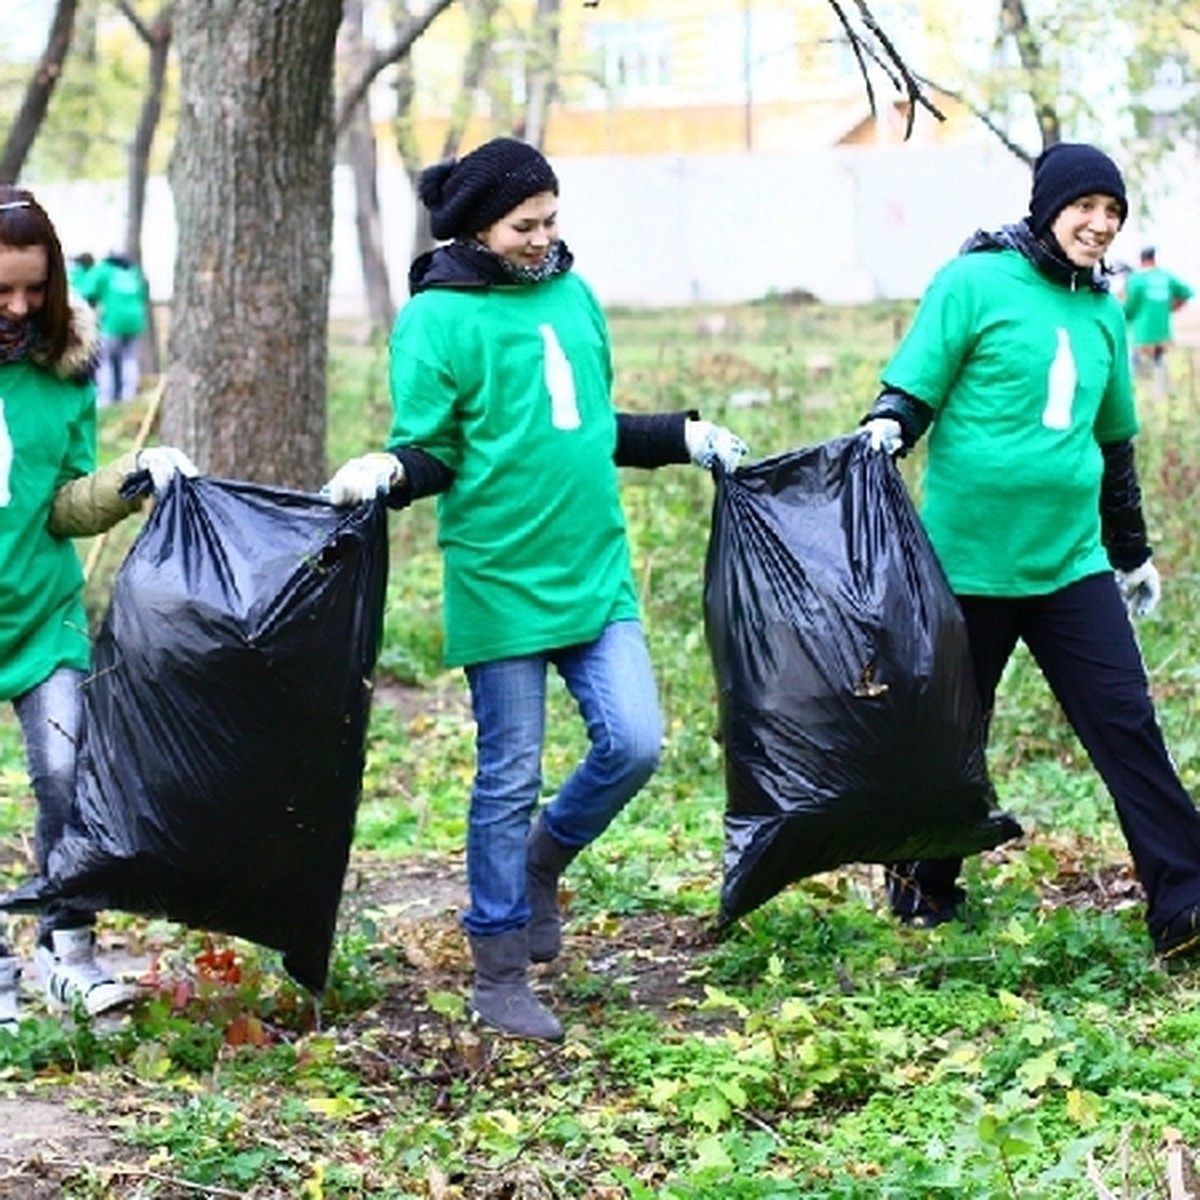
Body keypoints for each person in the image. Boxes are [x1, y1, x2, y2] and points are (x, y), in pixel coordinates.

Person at [325, 137, 748, 1042]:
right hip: (500, 576)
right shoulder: (439, 321)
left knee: (634, 741)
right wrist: (385, 472)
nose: (545, 237)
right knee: (507, 775)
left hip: (594, 567)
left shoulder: (573, 293)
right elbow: (435, 450)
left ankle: (543, 859)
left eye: (553, 219)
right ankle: (499, 967)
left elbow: (587, 427)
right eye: (527, 224)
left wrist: (684, 437)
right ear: (481, 228)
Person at [859, 143, 1200, 964]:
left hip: (1069, 565)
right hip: (966, 564)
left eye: (1113, 213)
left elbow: (1113, 444)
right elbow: (915, 388)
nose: (1100, 224)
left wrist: (1133, 554)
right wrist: (888, 429)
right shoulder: (973, 283)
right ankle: (921, 885)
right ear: (1050, 206)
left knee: (1126, 723)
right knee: (953, 732)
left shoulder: (1104, 312)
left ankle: (1186, 903)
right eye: (1087, 207)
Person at [0, 187, 198, 1031]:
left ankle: (65, 951)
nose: (17, 308)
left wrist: (130, 479)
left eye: (33, 291)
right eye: (1, 290)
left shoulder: (63, 373)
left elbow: (62, 504)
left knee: (67, 772)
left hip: (42, 614)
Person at [1123, 246, 1193, 399]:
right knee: (1159, 368)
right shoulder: (1166, 277)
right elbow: (1188, 292)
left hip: (1142, 335)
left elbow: (1128, 309)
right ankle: (1160, 399)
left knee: (1138, 374)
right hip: (1162, 333)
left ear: (1141, 260)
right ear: (1154, 259)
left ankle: (1140, 401)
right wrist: (1171, 307)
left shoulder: (1136, 280)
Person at [83, 251, 149, 405]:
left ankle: (105, 398)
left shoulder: (104, 270)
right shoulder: (132, 272)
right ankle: (129, 396)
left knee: (105, 361)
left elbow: (87, 292)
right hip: (135, 323)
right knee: (129, 359)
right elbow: (143, 294)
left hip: (112, 323)